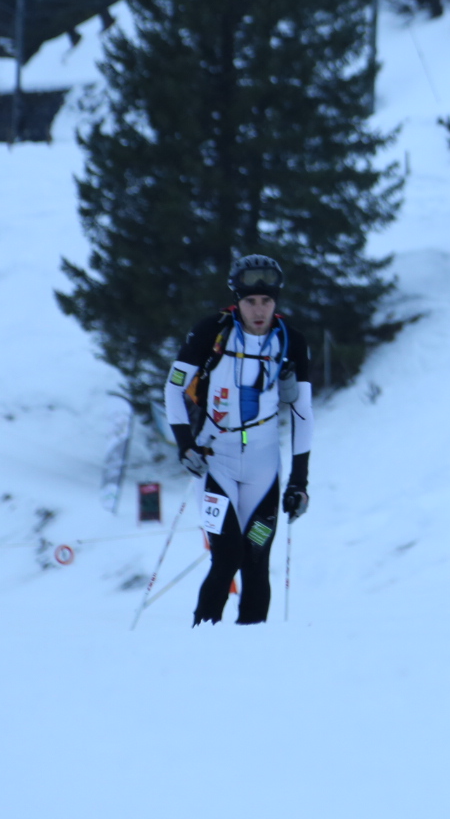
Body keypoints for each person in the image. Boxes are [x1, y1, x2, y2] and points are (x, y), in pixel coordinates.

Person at [162, 254, 313, 625]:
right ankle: (203, 635)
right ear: (237, 300)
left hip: (264, 467)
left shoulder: (291, 341)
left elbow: (302, 413)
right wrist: (185, 445)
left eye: (266, 301)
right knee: (227, 556)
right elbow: (173, 388)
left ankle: (251, 644)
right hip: (216, 462)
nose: (258, 310)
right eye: (250, 301)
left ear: (276, 301)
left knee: (256, 558)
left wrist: (299, 481)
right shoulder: (211, 331)